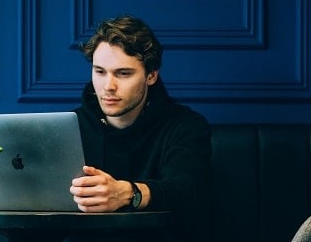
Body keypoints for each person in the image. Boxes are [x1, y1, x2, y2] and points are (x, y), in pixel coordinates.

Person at [68, 15, 212, 242]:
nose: (108, 86)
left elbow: (186, 190)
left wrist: (128, 193)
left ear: (151, 75)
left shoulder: (185, 126)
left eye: (123, 73)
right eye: (100, 72)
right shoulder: (70, 125)